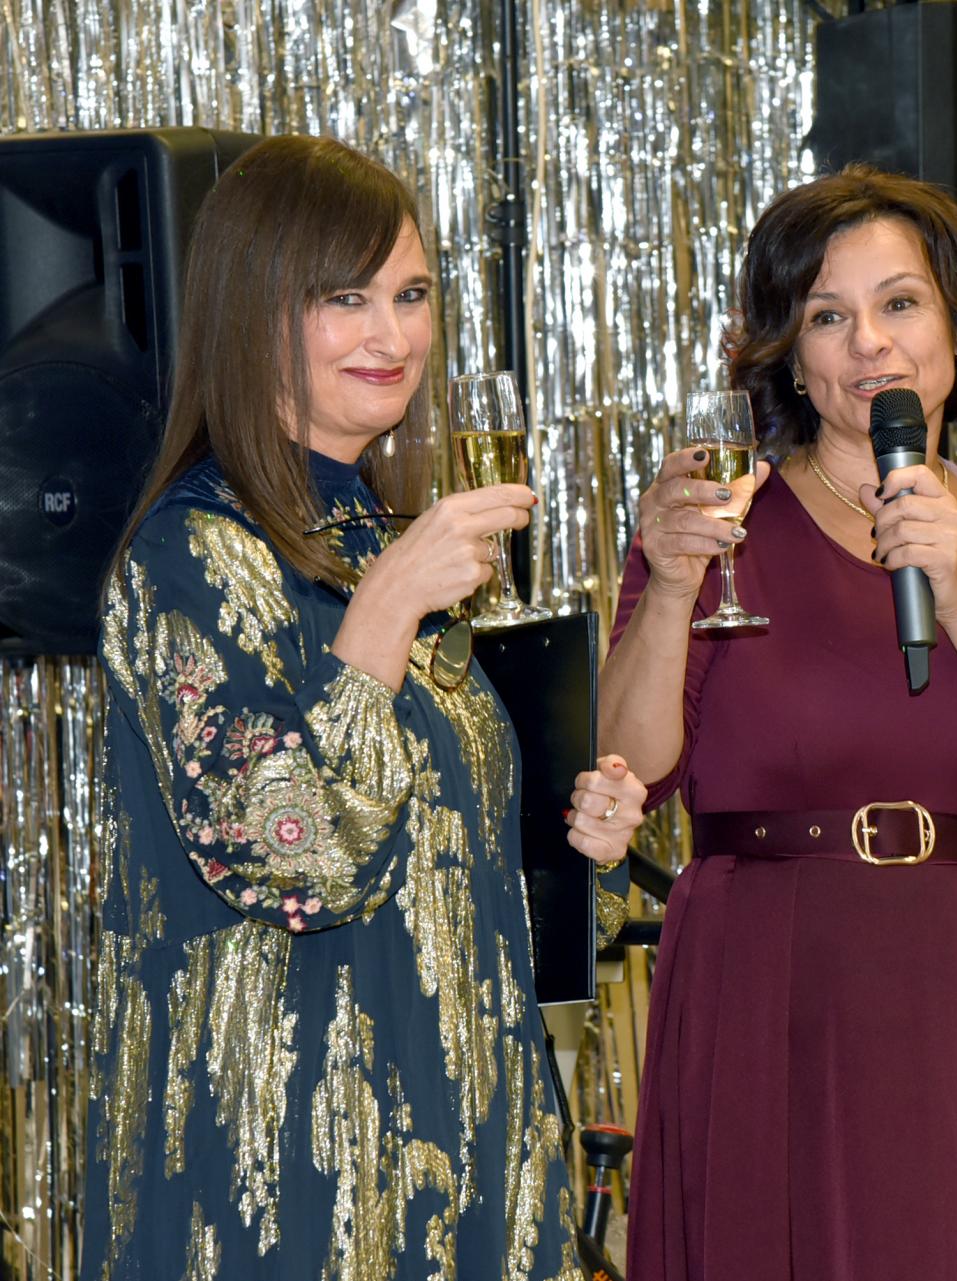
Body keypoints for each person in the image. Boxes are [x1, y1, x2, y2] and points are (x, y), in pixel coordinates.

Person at [84, 134, 643, 1277]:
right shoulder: (191, 553)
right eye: (346, 299)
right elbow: (299, 861)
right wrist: (382, 615)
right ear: (253, 311)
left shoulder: (379, 537)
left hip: (467, 1133)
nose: (392, 337)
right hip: (287, 1164)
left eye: (412, 295)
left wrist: (583, 851)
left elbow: (458, 876)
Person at [601, 164, 957, 1281]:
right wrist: (668, 582)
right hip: (765, 977)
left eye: (899, 303)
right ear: (791, 357)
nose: (870, 345)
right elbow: (632, 768)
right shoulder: (722, 519)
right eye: (827, 317)